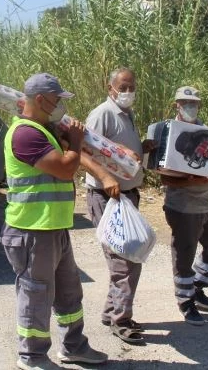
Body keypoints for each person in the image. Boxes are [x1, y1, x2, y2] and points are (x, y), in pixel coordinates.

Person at [0, 73, 108, 370]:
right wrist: (74, 142)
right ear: (39, 99)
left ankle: (74, 346)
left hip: (53, 227)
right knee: (36, 294)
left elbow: (70, 160)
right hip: (32, 230)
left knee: (68, 291)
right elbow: (63, 168)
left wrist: (71, 142)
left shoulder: (45, 129)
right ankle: (32, 356)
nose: (60, 104)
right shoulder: (25, 133)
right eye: (56, 99)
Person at [82, 67, 156, 345]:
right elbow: (84, 150)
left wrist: (143, 148)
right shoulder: (102, 113)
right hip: (107, 196)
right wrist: (105, 177)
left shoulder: (126, 114)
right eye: (123, 87)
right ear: (110, 86)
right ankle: (121, 321)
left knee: (126, 258)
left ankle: (112, 312)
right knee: (124, 261)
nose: (128, 92)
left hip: (126, 196)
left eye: (131, 87)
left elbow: (115, 149)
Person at [160, 86, 208, 326]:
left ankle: (197, 287)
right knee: (183, 257)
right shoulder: (168, 132)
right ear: (176, 105)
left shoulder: (206, 130)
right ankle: (185, 301)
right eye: (185, 103)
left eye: (194, 103)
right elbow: (164, 176)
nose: (190, 107)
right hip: (184, 207)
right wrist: (191, 179)